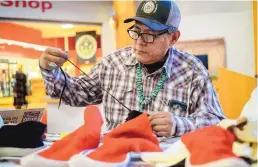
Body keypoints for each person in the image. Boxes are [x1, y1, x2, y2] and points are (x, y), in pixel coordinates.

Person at [39, 0, 225, 137]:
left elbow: (215, 120)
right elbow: (73, 93)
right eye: (136, 31)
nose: (139, 41)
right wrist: (49, 69)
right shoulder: (112, 63)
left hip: (166, 161)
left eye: (150, 35)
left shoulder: (192, 70)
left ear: (173, 37)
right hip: (115, 158)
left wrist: (179, 124)